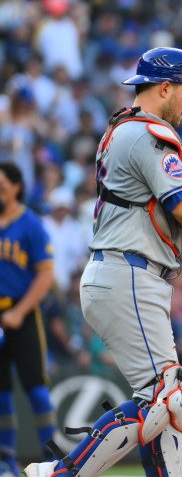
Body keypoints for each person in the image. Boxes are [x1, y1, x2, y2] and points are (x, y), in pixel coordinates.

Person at [25, 47, 182, 477]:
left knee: (164, 398)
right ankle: (60, 474)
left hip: (129, 272)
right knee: (170, 394)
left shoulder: (123, 128)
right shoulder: (148, 133)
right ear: (164, 87)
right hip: (128, 274)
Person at [0, 162, 57, 476]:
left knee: (36, 387)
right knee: (1, 393)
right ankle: (5, 459)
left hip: (22, 311)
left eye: (3, 186)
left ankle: (52, 457)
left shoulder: (30, 223)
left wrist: (19, 312)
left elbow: (46, 275)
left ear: (16, 188)